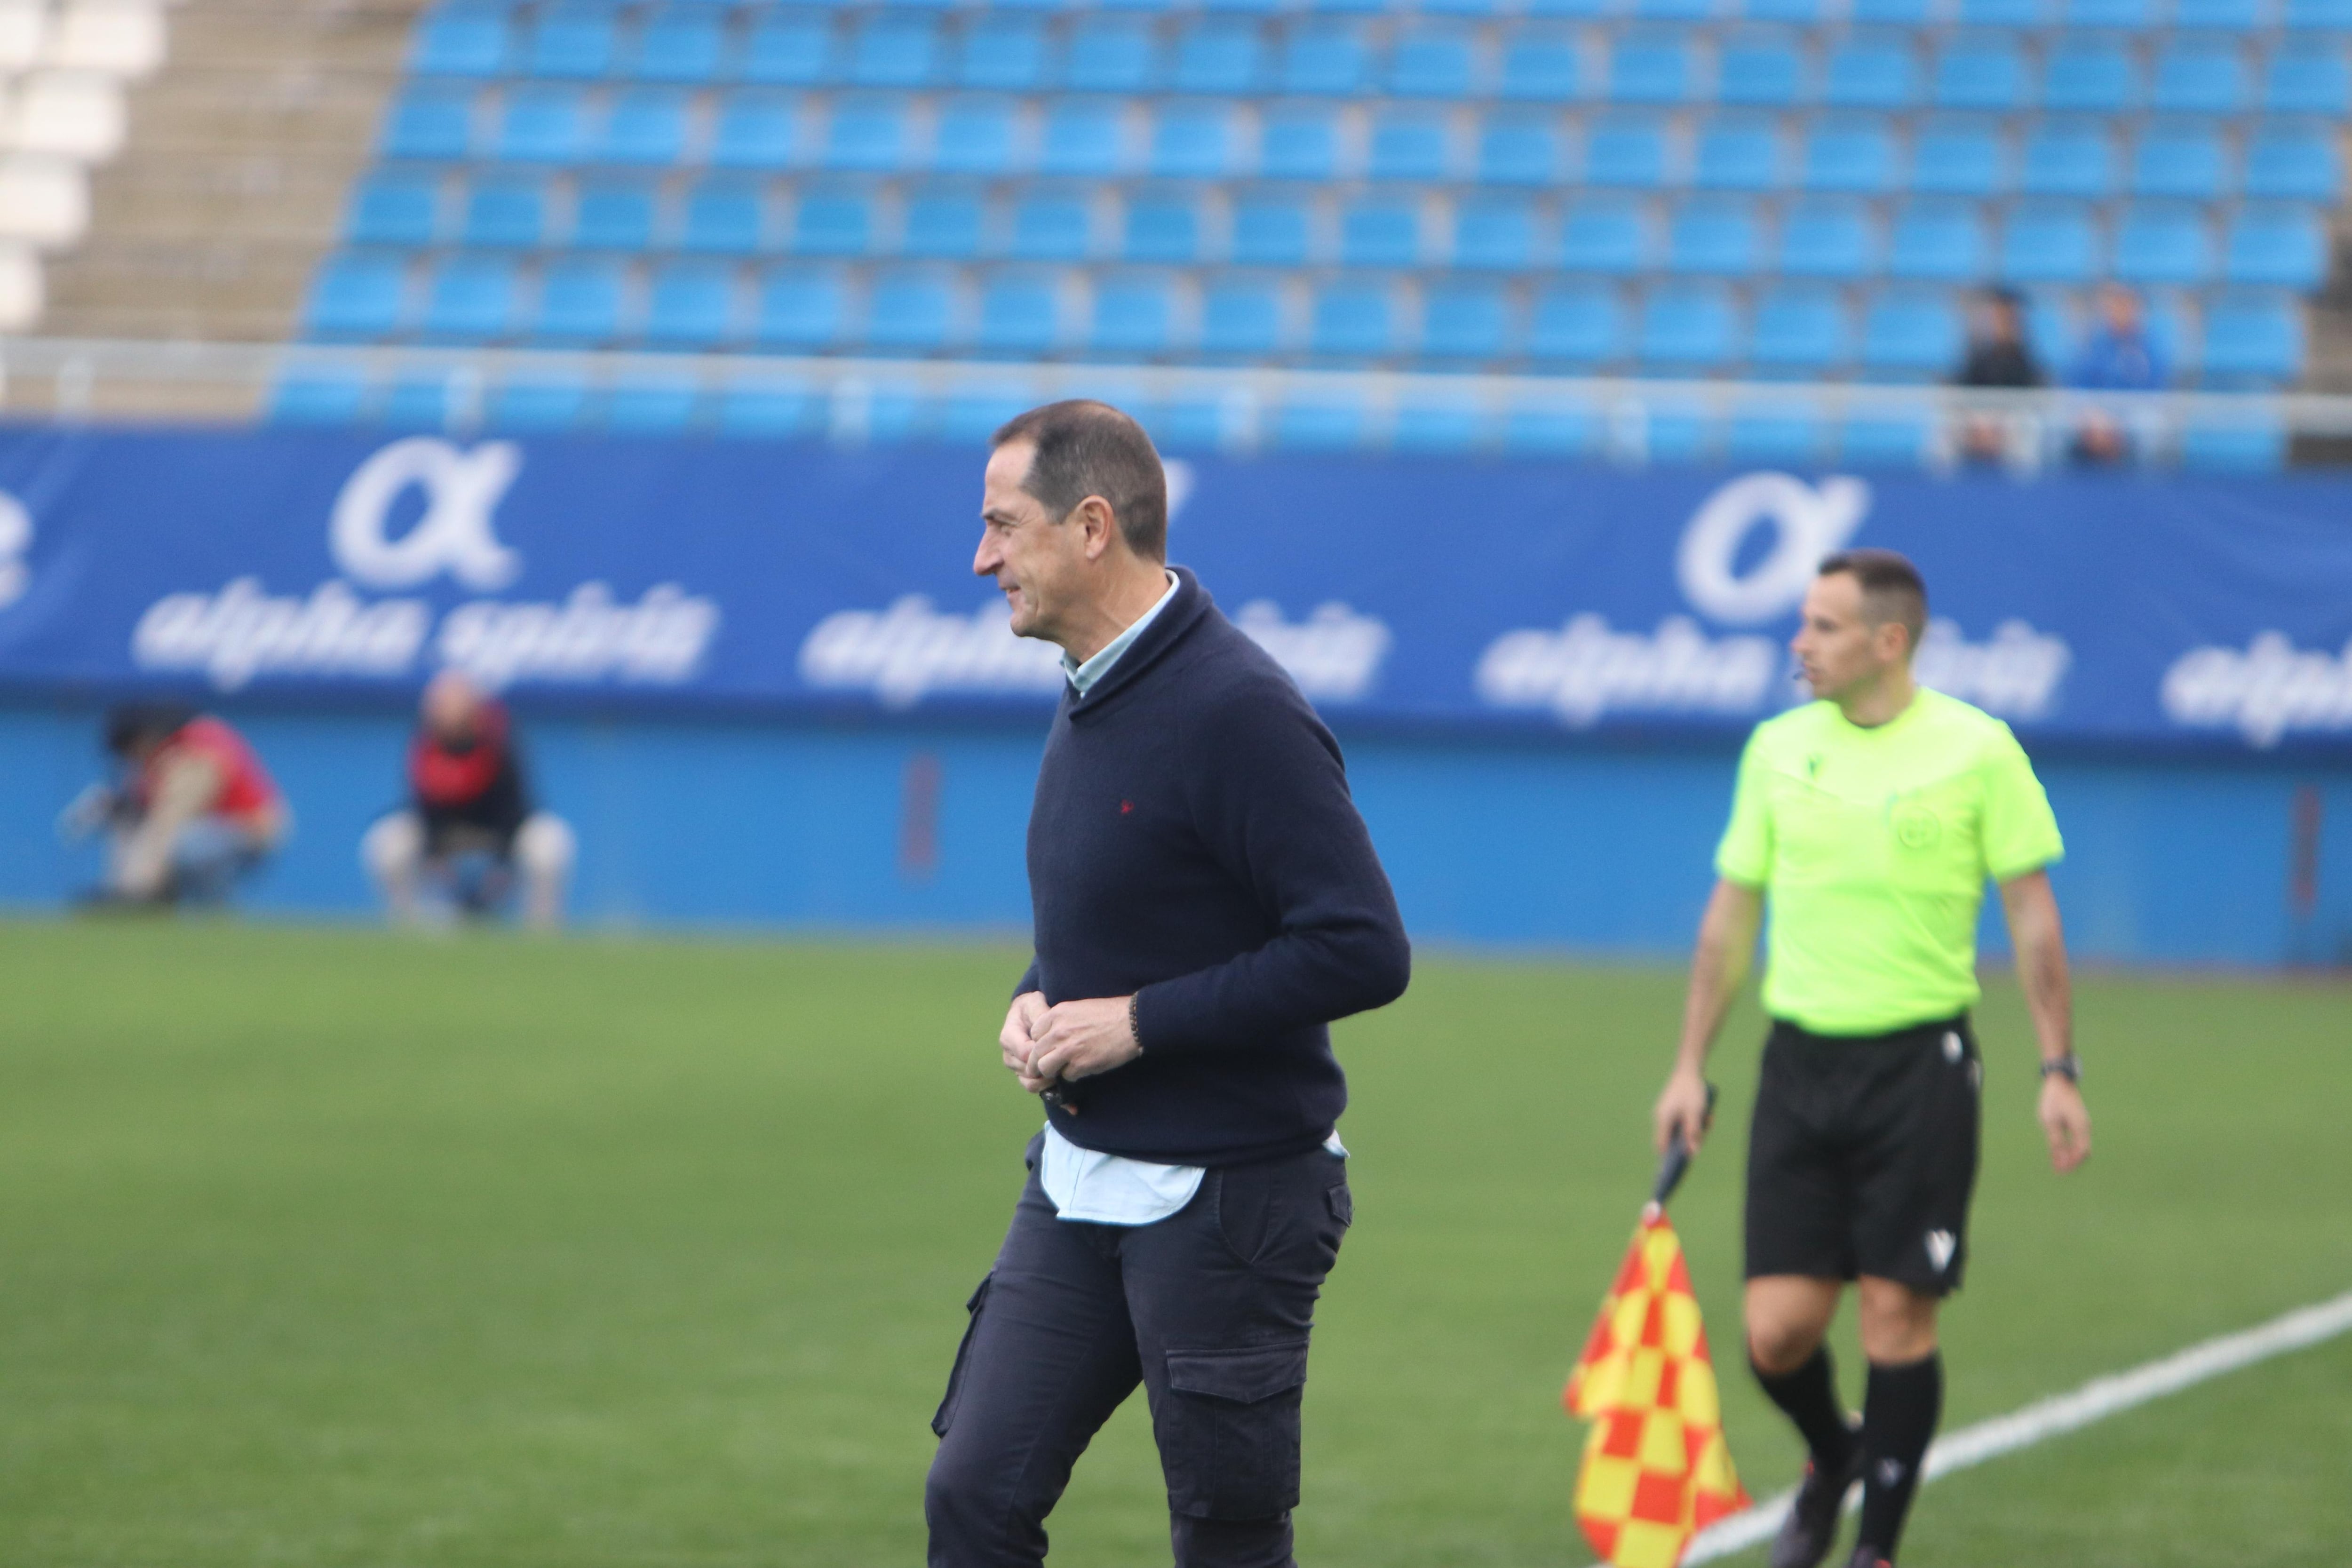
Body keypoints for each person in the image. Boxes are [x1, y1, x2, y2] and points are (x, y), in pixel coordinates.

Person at [924, 400, 1412, 1568]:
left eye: (1002, 527)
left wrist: (1138, 1025)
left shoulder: (1237, 706)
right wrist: (1038, 992)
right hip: (1078, 1181)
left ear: (1091, 526)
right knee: (973, 1496)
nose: (980, 557)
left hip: (1230, 1196)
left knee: (1225, 1540)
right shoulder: (1096, 676)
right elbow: (1140, 900)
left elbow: (1361, 947)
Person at [1651, 549, 2091, 1568]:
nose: (1797, 643)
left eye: (1820, 626)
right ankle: (1834, 1452)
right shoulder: (1774, 749)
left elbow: (2033, 924)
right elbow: (1727, 920)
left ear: (1886, 641)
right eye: (1801, 622)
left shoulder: (1978, 750)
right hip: (1799, 1068)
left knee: (1897, 1316)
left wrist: (2056, 1070)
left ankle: (1874, 1552)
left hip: (1920, 1068)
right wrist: (1686, 1064)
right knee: (1775, 1332)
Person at [361, 670, 574, 927]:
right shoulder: (425, 745)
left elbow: (515, 807)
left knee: (550, 842)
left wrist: (501, 866)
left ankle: (541, 933)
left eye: (453, 705)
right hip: (446, 835)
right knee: (388, 841)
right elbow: (422, 807)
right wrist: (435, 855)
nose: (444, 713)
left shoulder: (498, 741)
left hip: (499, 832)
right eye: (438, 706)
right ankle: (410, 930)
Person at [59, 702, 288, 906]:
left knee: (185, 844)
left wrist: (136, 887)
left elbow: (172, 817)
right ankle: (149, 901)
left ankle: (213, 917)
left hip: (252, 830)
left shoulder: (200, 742)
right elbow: (135, 812)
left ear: (144, 738)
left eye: (131, 752)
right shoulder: (158, 758)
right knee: (145, 827)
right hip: (208, 829)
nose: (132, 760)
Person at [2064, 283, 2168, 465]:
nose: (2120, 312)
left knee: (2149, 423)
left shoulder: (2150, 348)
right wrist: (2093, 416)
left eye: (2126, 306)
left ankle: (2144, 481)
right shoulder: (2093, 345)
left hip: (2131, 418)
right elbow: (2078, 385)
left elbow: (2155, 393)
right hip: (2096, 417)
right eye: (2115, 306)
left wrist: (2117, 423)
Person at [1950, 287, 2044, 464]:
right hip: (1979, 419)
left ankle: (2022, 486)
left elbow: (2033, 396)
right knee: (1948, 423)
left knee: (2028, 425)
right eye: (1996, 316)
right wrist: (1980, 419)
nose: (2000, 322)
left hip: (2011, 421)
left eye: (2006, 317)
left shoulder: (2025, 357)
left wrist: (1998, 421)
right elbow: (1964, 391)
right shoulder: (1979, 355)